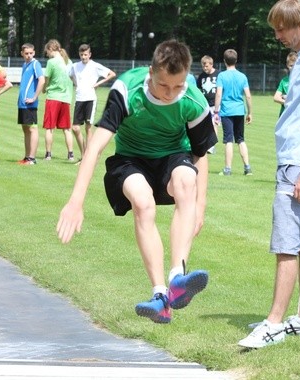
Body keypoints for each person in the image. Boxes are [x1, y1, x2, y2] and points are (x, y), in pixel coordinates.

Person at [57, 40, 217, 324]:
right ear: (151, 73)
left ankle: (177, 278)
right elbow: (94, 148)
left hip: (172, 158)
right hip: (130, 160)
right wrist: (75, 201)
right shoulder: (127, 89)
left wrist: (199, 206)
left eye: (177, 86)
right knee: (143, 202)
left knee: (185, 180)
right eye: (163, 85)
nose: (170, 94)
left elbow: (200, 155)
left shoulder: (193, 99)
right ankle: (159, 297)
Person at [238, 0, 300, 349]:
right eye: (275, 29)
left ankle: (274, 323)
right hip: (299, 161)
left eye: (282, 28)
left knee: (285, 243)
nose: (278, 35)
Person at [69, 44, 116, 161]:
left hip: (90, 99)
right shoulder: (75, 66)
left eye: (85, 54)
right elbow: (71, 76)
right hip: (79, 99)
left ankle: (87, 157)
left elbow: (112, 74)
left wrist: (98, 84)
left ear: (90, 55)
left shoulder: (95, 66)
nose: (83, 57)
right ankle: (84, 153)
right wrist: (77, 84)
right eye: (81, 55)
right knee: (75, 128)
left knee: (88, 127)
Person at [213, 49, 253, 176]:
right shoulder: (242, 76)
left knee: (228, 140)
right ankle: (247, 168)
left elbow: (219, 94)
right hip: (239, 111)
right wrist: (250, 112)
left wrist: (215, 111)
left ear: (224, 61)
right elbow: (248, 96)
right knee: (241, 139)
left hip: (227, 111)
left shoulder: (222, 76)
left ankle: (228, 169)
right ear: (236, 61)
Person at [42, 39, 74, 161]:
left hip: (53, 97)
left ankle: (48, 154)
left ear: (51, 49)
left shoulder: (52, 62)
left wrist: (44, 89)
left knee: (49, 128)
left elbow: (46, 79)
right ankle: (70, 154)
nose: (47, 55)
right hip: (66, 98)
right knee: (66, 129)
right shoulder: (68, 61)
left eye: (47, 52)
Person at [17, 43, 45, 165]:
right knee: (25, 128)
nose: (28, 55)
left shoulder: (35, 64)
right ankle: (27, 157)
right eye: (26, 53)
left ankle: (32, 158)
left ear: (34, 53)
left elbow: (42, 80)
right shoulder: (25, 65)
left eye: (31, 53)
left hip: (30, 103)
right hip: (22, 103)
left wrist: (34, 97)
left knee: (32, 128)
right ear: (22, 53)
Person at [196, 55, 220, 154]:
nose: (204, 68)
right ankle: (206, 143)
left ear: (211, 64)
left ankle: (212, 146)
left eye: (206, 66)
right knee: (206, 126)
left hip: (216, 104)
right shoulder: (201, 76)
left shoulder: (219, 75)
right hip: (205, 104)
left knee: (215, 123)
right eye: (203, 66)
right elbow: (198, 90)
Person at [273, 51, 298, 117]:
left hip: (296, 115)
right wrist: (288, 102)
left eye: (295, 66)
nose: (293, 68)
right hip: (283, 114)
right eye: (291, 66)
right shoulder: (284, 81)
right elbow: (276, 98)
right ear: (287, 65)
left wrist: (286, 97)